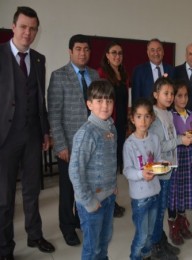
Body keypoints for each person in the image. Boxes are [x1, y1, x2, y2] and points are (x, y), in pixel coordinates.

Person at [0, 6, 55, 258]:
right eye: (23, 26)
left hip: (33, 137)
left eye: (32, 28)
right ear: (13, 27)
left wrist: (45, 132)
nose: (28, 32)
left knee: (32, 191)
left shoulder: (40, 60)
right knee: (4, 197)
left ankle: (35, 236)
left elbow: (40, 100)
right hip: (5, 138)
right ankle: (5, 247)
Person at [48, 34, 100, 246]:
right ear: (70, 51)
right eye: (78, 49)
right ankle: (67, 227)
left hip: (92, 144)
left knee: (86, 185)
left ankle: (80, 219)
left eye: (86, 49)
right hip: (69, 145)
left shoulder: (95, 75)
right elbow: (54, 113)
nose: (82, 53)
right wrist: (60, 145)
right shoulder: (59, 75)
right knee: (68, 189)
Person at [69, 80, 117, 259]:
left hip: (108, 197)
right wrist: (89, 201)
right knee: (92, 248)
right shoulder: (86, 133)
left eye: (109, 100)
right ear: (89, 104)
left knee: (104, 241)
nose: (105, 105)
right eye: (99, 101)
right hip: (91, 202)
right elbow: (75, 172)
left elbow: (110, 161)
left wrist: (112, 186)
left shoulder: (111, 128)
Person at [149, 77, 191, 259]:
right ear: (156, 94)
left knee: (162, 208)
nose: (169, 97)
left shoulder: (166, 113)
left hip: (169, 168)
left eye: (171, 93)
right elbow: (161, 146)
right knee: (158, 211)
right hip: (160, 170)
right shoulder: (155, 116)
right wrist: (181, 140)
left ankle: (162, 241)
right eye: (165, 93)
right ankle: (156, 247)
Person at [123, 98, 161, 260]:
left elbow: (158, 161)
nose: (143, 120)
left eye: (147, 116)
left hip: (155, 193)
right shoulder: (129, 144)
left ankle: (146, 255)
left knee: (150, 233)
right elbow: (127, 170)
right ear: (133, 118)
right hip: (139, 198)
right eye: (139, 116)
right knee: (142, 234)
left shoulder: (154, 139)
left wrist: (161, 167)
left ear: (152, 118)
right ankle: (135, 256)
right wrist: (141, 174)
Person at [97, 41, 128, 218]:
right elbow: (101, 103)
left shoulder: (123, 74)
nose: (117, 56)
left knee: (114, 165)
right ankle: (105, 201)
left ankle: (111, 200)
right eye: (114, 53)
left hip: (120, 126)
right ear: (107, 55)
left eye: (120, 53)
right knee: (107, 166)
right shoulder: (101, 74)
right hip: (108, 126)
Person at [169, 81, 192, 244]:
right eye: (179, 95)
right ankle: (173, 225)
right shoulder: (170, 116)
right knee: (175, 192)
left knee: (184, 191)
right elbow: (171, 139)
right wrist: (183, 138)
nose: (183, 99)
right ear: (173, 97)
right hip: (176, 157)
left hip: (189, 157)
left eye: (185, 95)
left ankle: (182, 222)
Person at [132, 38, 174, 104]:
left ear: (163, 52)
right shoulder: (139, 71)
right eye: (152, 50)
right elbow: (136, 97)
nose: (156, 53)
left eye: (159, 50)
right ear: (148, 53)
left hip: (166, 112)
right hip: (146, 112)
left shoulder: (171, 70)